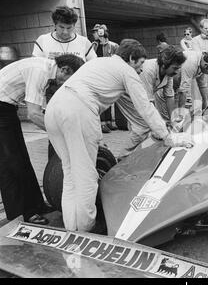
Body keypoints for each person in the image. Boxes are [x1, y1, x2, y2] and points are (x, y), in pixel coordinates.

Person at [44, 39, 194, 232]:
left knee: (70, 173)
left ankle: (71, 227)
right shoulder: (127, 71)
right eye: (140, 64)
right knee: (86, 176)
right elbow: (145, 107)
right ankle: (84, 231)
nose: (141, 69)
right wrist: (169, 137)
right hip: (77, 109)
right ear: (131, 59)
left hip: (54, 108)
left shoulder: (99, 62)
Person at [0, 54, 84, 225]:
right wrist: (59, 133)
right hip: (1, 108)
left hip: (7, 108)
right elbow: (34, 114)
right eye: (70, 78)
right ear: (64, 69)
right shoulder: (40, 72)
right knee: (11, 164)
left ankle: (36, 205)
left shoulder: (46, 70)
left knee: (23, 160)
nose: (67, 83)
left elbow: (42, 110)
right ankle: (21, 214)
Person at [116, 45, 187, 158]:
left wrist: (173, 121)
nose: (177, 71)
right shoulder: (148, 70)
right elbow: (146, 104)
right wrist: (160, 128)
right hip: (125, 93)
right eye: (175, 68)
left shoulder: (168, 74)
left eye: (179, 68)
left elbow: (169, 96)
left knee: (148, 126)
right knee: (142, 126)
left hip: (139, 95)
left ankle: (136, 154)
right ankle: (123, 157)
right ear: (164, 64)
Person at [32, 6, 97, 62]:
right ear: (54, 25)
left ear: (74, 26)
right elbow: (36, 67)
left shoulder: (84, 42)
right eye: (61, 27)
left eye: (69, 28)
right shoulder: (43, 40)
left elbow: (93, 65)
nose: (65, 32)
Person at [91, 24, 119, 133]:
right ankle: (102, 124)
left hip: (109, 75)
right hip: (98, 75)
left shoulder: (113, 46)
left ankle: (109, 122)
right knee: (100, 99)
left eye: (96, 32)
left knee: (109, 99)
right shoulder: (93, 45)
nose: (94, 34)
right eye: (93, 32)